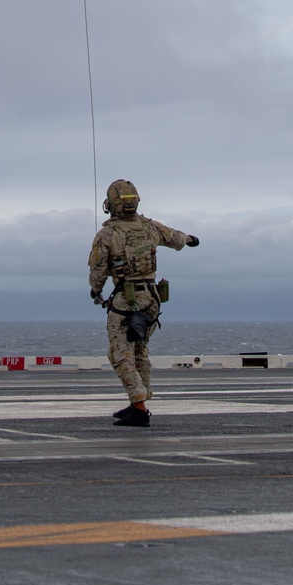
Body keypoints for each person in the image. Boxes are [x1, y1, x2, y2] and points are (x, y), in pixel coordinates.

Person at [89, 178, 200, 427]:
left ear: (111, 205)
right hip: (152, 298)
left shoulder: (107, 234)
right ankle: (139, 402)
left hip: (126, 300)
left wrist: (95, 292)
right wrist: (191, 239)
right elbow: (177, 238)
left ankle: (139, 407)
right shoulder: (150, 227)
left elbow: (98, 270)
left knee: (120, 353)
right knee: (140, 350)